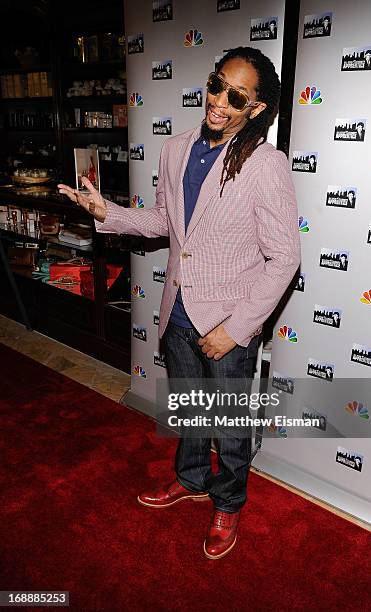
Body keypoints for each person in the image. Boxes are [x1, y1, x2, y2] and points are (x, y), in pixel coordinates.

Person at [58, 46, 300, 560]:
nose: (221, 101)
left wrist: (237, 329)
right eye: (218, 84)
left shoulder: (266, 165)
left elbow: (284, 259)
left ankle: (228, 502)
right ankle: (190, 480)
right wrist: (108, 211)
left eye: (238, 96)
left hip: (228, 320)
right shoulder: (177, 150)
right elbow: (166, 225)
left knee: (229, 425)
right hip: (177, 309)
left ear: (256, 109)